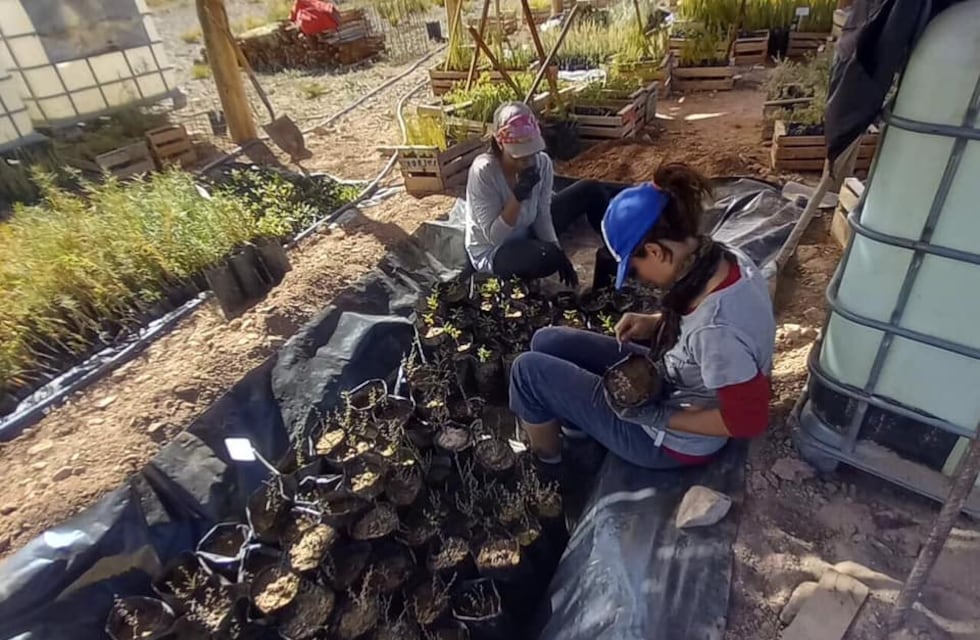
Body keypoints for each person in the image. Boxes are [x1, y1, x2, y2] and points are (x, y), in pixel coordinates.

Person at [508, 163, 776, 470]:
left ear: (656, 251)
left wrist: (656, 416)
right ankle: (580, 431)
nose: (640, 278)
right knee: (547, 340)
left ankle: (550, 468)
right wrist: (656, 323)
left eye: (634, 268)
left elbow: (747, 420)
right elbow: (703, 330)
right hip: (670, 380)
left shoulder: (716, 331)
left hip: (669, 441)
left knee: (526, 372)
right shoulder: (723, 257)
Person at [464, 101, 615, 286]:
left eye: (531, 154)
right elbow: (495, 237)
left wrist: (557, 249)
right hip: (496, 249)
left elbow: (543, 214)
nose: (527, 162)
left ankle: (615, 251)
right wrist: (518, 197)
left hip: (528, 229)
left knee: (591, 189)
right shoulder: (484, 171)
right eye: (519, 156)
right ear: (500, 144)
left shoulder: (541, 163)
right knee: (546, 258)